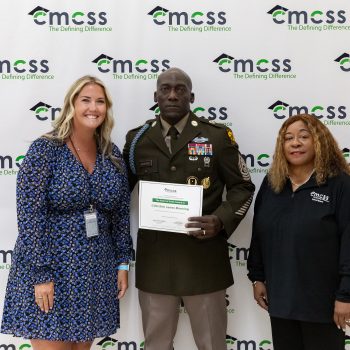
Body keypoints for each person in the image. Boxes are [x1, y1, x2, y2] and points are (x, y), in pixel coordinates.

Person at [123, 67, 255, 350]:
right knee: (156, 344)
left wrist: (220, 221)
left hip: (204, 261)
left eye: (180, 89)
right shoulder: (137, 140)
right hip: (156, 263)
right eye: (166, 89)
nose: (173, 95)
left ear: (191, 96)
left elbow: (243, 187)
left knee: (212, 344)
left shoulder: (217, 137)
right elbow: (119, 192)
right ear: (155, 95)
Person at [0, 76, 133, 350]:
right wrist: (41, 274)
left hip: (94, 272)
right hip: (50, 269)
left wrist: (122, 262)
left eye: (100, 102)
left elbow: (120, 214)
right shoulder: (45, 149)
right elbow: (29, 215)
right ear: (71, 105)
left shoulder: (113, 155)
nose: (93, 107)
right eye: (85, 100)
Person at [247, 114, 350, 350]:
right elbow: (259, 233)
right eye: (288, 138)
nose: (295, 143)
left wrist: (345, 295)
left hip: (322, 303)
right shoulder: (272, 184)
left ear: (319, 142)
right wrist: (257, 276)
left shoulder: (340, 184)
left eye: (304, 136)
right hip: (281, 299)